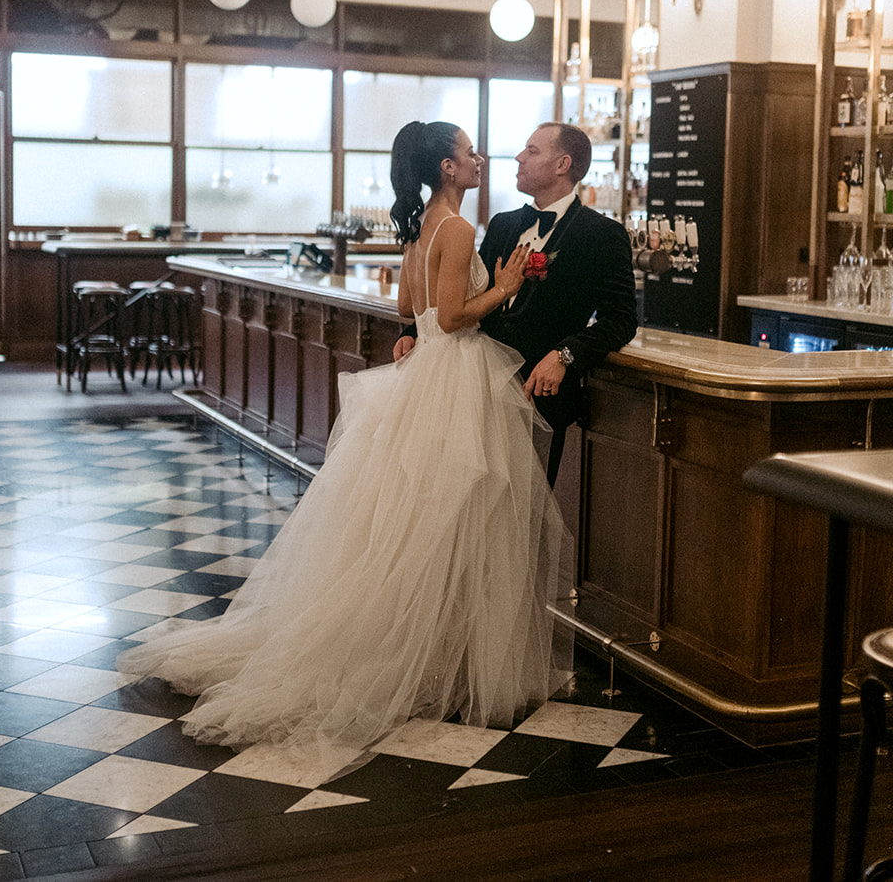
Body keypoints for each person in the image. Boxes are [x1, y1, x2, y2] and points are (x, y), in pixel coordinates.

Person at [117, 120, 571, 772]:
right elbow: (446, 316)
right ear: (447, 167)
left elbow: (409, 314)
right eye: (470, 151)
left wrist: (417, 335)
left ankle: (434, 652)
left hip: (423, 374)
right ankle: (441, 660)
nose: (480, 159)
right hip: (455, 374)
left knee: (415, 522)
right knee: (454, 520)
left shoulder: (418, 228)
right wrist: (503, 288)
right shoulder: (461, 229)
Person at [396, 122, 638, 486]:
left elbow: (620, 319)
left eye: (532, 151)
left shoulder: (602, 235)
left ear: (562, 164)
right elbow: (461, 296)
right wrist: (416, 331)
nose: (518, 157)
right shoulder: (503, 225)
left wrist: (566, 354)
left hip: (538, 396)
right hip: (474, 389)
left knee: (521, 522)